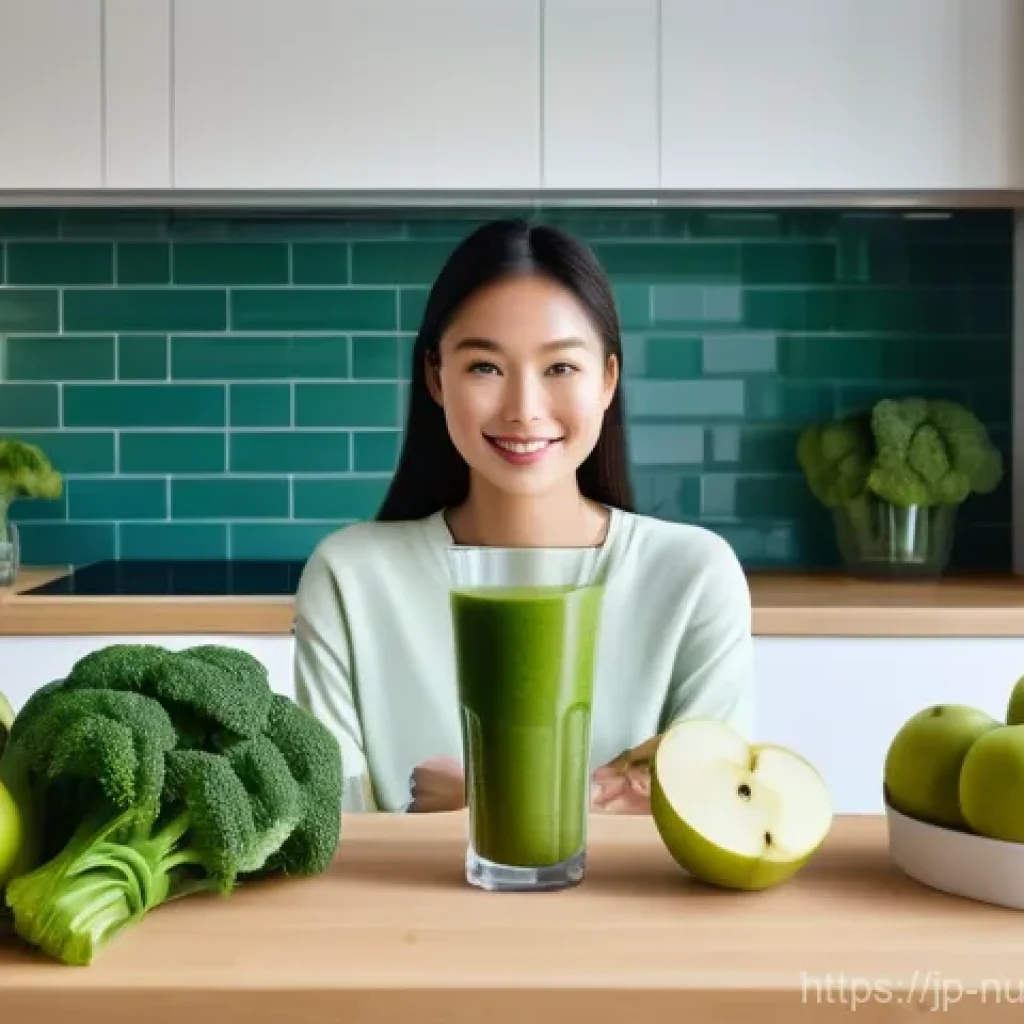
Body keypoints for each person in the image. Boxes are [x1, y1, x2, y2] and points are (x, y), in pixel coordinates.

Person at [293, 218, 754, 815]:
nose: (524, 409)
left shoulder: (693, 575)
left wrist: (487, 799)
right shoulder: (349, 576)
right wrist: (593, 800)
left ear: (609, 379)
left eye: (560, 368)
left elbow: (716, 812)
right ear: (437, 377)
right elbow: (334, 833)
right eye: (485, 367)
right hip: (401, 914)